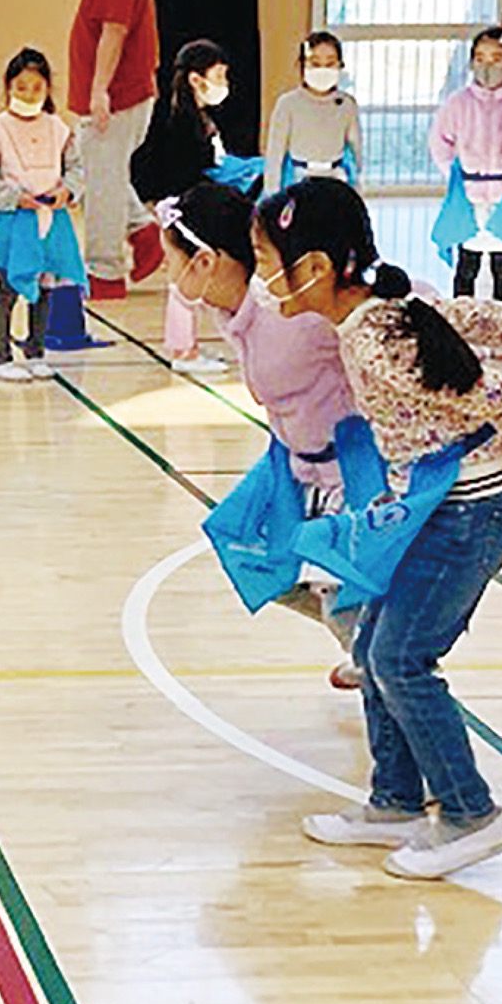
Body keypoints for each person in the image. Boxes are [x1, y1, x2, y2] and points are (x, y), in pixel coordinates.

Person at [254, 176, 502, 879]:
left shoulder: (379, 343)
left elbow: (493, 393)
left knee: (400, 660)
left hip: (471, 515)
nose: (262, 277)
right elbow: (477, 318)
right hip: (426, 511)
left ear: (314, 267)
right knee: (373, 644)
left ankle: (472, 814)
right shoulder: (383, 313)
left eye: (266, 260)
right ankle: (396, 802)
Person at [158, 182, 360, 686]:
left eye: (170, 259)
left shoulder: (291, 312)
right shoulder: (233, 311)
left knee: (339, 589)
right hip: (294, 464)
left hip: (352, 471)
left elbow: (376, 311)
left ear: (205, 261)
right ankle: (364, 636)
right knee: (253, 553)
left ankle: (377, 654)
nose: (166, 271)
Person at [138, 39, 262, 373]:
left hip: (187, 206)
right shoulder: (177, 121)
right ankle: (183, 351)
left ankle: (188, 345)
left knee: (187, 279)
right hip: (182, 210)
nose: (224, 83)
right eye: (219, 75)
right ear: (196, 79)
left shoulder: (199, 118)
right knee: (185, 280)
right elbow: (162, 169)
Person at [67, 0, 162, 300]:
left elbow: (115, 31)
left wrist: (100, 91)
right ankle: (142, 230)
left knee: (101, 183)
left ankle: (104, 272)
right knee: (101, 172)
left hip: (118, 94)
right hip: (120, 92)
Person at [0, 48, 87, 382]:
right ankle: (1, 357)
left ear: (48, 88)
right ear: (9, 86)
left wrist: (68, 190)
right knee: (8, 288)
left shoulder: (58, 128)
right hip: (15, 221)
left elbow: (76, 168)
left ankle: (36, 352)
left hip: (52, 219)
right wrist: (13, 198)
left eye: (36, 87)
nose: (28, 94)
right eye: (21, 87)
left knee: (45, 288)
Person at [428, 26, 502, 304]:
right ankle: (462, 317)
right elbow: (440, 141)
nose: (487, 66)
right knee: (467, 262)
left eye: (496, 58)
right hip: (468, 193)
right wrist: (455, 174)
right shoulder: (458, 104)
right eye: (480, 58)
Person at [263, 31, 362, 195]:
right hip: (299, 179)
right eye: (315, 63)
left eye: (330, 63)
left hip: (336, 180)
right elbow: (275, 155)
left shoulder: (347, 105)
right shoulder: (288, 103)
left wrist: (355, 191)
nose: (323, 69)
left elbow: (355, 152)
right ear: (302, 65)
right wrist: (272, 196)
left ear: (340, 65)